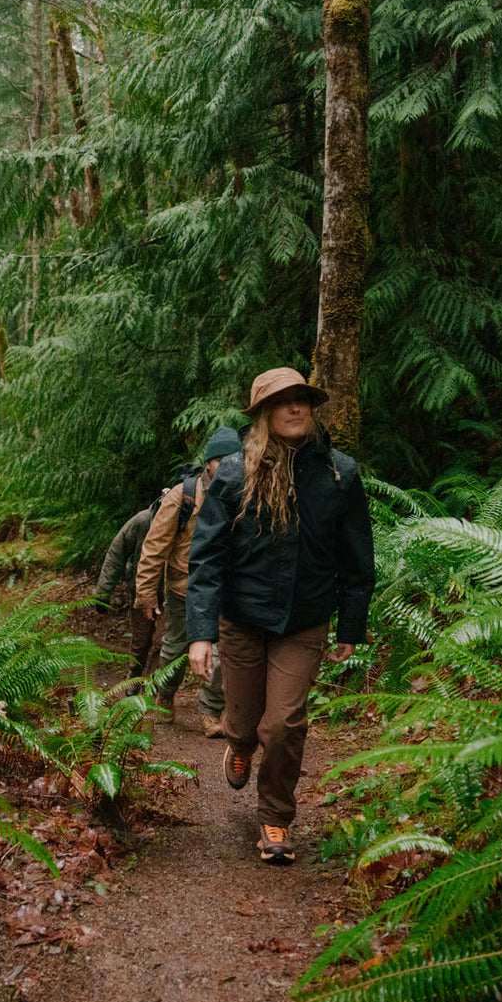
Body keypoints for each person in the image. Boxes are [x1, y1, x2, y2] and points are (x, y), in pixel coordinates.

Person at [187, 368, 375, 864]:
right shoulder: (234, 473)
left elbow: (357, 556)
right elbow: (206, 557)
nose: (294, 408)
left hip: (305, 619)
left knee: (285, 723)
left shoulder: (339, 473)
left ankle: (275, 818)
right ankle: (239, 743)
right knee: (246, 722)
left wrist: (350, 626)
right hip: (243, 619)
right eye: (282, 401)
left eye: (302, 399)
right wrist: (201, 634)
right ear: (263, 414)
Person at [135, 427, 243, 736]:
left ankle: (211, 710)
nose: (227, 466)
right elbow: (155, 546)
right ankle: (165, 694)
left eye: (234, 460)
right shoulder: (184, 495)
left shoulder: (246, 494)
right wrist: (146, 592)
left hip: (226, 592)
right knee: (175, 651)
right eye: (220, 460)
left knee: (222, 656)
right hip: (184, 591)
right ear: (209, 463)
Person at [95, 500, 161, 678]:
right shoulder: (142, 522)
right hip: (142, 589)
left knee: (163, 641)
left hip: (171, 593)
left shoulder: (186, 522)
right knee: (141, 640)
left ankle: (155, 684)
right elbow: (116, 554)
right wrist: (103, 593)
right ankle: (134, 675)